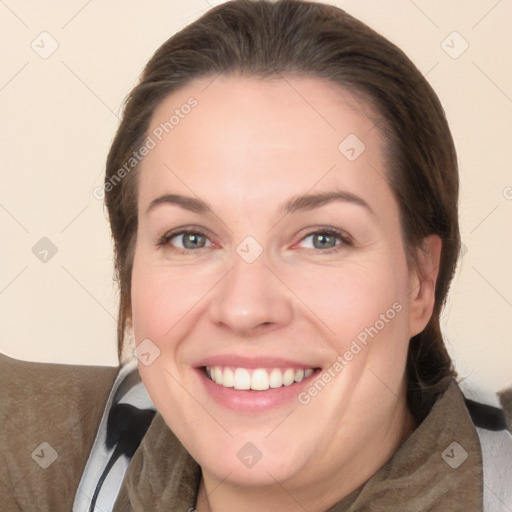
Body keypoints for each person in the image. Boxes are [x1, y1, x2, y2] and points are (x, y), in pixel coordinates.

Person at [1, 1, 511, 511]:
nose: (245, 309)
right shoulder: (35, 454)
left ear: (420, 281)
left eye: (322, 239)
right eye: (191, 238)